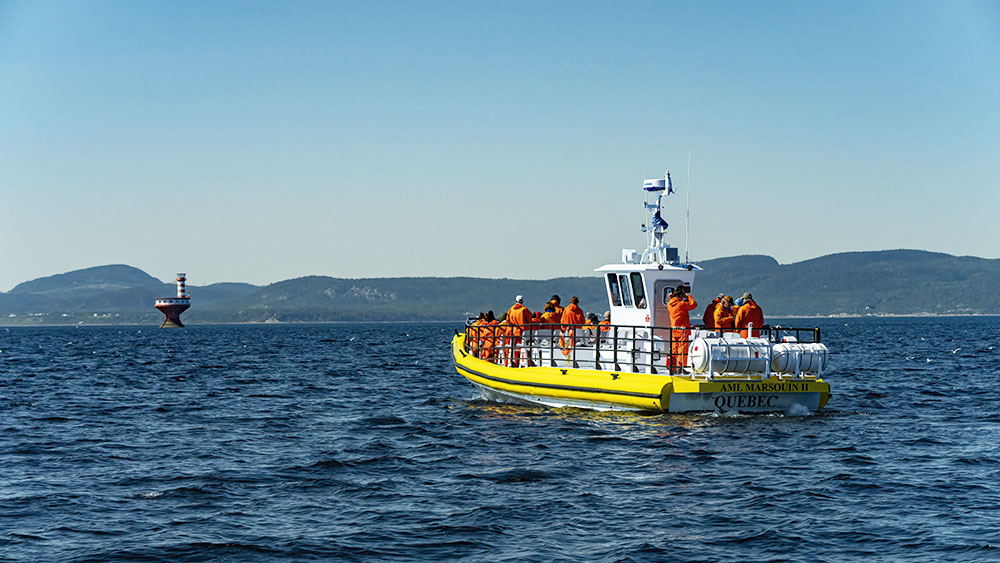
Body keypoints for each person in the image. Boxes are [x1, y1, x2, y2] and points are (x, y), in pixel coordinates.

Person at [667, 286, 698, 371]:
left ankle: (672, 366)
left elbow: (672, 300)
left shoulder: (669, 303)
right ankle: (681, 368)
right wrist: (689, 296)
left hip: (673, 330)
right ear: (681, 295)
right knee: (682, 351)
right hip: (682, 330)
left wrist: (671, 296)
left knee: (674, 349)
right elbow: (694, 305)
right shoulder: (682, 304)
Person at [506, 295, 534, 366]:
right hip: (523, 332)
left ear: (516, 301)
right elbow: (529, 320)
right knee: (525, 346)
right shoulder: (525, 310)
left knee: (515, 347)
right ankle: (527, 363)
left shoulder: (511, 309)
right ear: (522, 301)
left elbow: (507, 320)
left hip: (514, 332)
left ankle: (516, 362)